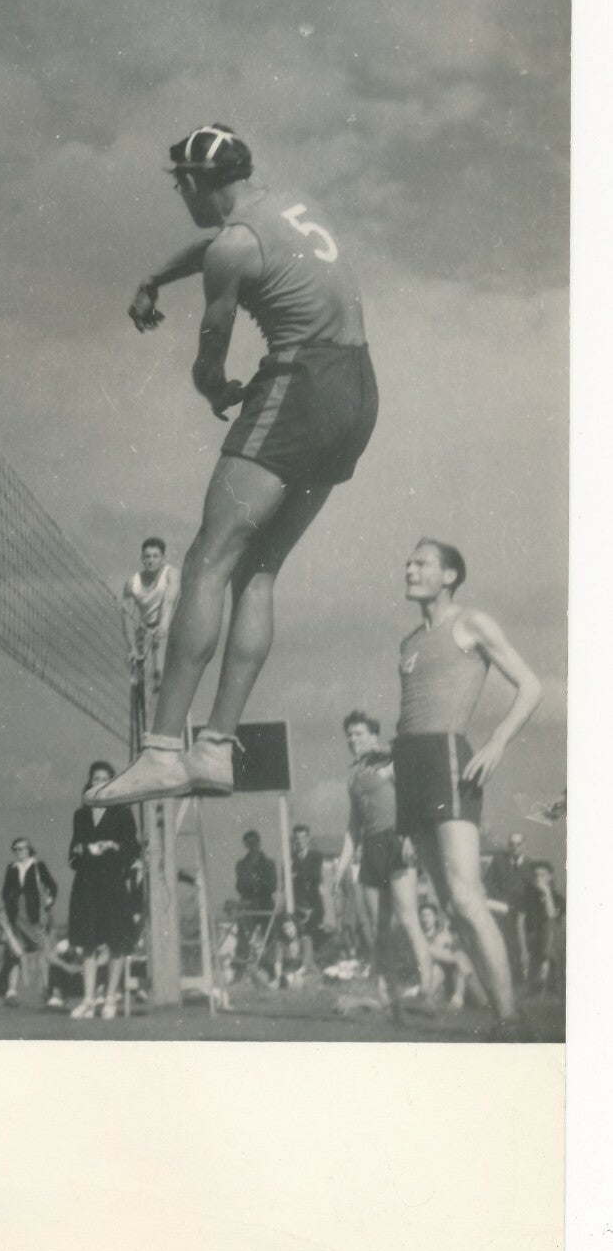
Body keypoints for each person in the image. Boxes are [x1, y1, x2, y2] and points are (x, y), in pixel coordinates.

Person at [89, 125, 377, 806]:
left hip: (301, 386)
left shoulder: (234, 247)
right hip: (358, 393)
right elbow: (226, 247)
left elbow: (211, 350)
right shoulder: (282, 206)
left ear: (192, 183)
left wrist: (211, 386)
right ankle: (216, 749)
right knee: (258, 569)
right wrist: (157, 275)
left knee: (207, 562)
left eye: (178, 185)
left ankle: (164, 751)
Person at [393, 539, 543, 1035]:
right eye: (409, 562)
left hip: (448, 757)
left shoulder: (471, 623)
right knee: (450, 908)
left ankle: (512, 1019)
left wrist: (497, 741)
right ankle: (498, 1013)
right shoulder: (409, 642)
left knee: (466, 896)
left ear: (450, 575)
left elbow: (531, 685)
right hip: (411, 763)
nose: (410, 568)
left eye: (422, 563)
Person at [332, 711, 435, 1021]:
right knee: (379, 929)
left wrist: (409, 839)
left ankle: (428, 992)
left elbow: (413, 800)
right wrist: (340, 867)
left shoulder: (389, 763)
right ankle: (388, 998)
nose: (353, 739)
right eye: (349, 735)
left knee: (408, 918)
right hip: (371, 848)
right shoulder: (353, 777)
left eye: (360, 733)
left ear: (374, 736)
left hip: (396, 840)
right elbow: (353, 827)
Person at [66, 763, 139, 1019]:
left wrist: (113, 847)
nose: (99, 782)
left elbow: (133, 850)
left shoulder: (123, 814)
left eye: (104, 779)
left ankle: (110, 998)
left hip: (112, 885)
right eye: (95, 778)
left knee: (116, 941)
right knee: (88, 943)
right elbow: (72, 856)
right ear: (89, 782)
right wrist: (81, 851)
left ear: (111, 783)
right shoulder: (81, 815)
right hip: (86, 886)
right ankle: (88, 999)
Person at [122, 537, 182, 723]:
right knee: (140, 681)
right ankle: (148, 722)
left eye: (155, 556)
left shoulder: (171, 574)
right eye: (147, 556)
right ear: (142, 558)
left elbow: (169, 601)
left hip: (170, 627)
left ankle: (166, 720)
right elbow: (127, 616)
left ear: (163, 558)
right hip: (146, 632)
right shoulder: (133, 583)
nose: (151, 560)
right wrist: (132, 647)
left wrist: (164, 623)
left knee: (160, 672)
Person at [1, 838, 59, 1003]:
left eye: (22, 849)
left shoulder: (38, 866)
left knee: (42, 949)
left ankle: (47, 989)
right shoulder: (11, 868)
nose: (19, 852)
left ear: (29, 850)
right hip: (16, 917)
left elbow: (52, 886)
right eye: (16, 849)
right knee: (15, 953)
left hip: (35, 917)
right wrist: (8, 903)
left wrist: (49, 901)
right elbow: (5, 891)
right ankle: (11, 992)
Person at [484, 831, 535, 984]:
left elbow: (532, 892)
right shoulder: (499, 861)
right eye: (512, 844)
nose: (515, 847)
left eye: (518, 844)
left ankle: (519, 978)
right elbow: (488, 882)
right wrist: (501, 901)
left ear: (524, 846)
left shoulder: (530, 866)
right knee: (500, 940)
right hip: (502, 908)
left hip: (522, 911)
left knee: (518, 941)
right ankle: (502, 978)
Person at [418, 901, 485, 1010]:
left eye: (429, 915)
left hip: (449, 977)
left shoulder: (445, 935)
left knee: (460, 959)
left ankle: (461, 998)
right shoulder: (418, 938)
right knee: (457, 959)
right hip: (429, 977)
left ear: (435, 917)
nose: (425, 919)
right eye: (423, 915)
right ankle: (460, 999)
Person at [233, 829, 278, 974]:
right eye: (248, 843)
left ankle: (271, 971)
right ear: (245, 845)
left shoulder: (269, 864)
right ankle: (241, 971)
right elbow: (240, 886)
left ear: (259, 843)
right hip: (248, 906)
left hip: (265, 904)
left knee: (269, 937)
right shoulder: (241, 865)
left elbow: (272, 885)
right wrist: (255, 885)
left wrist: (254, 885)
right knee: (244, 937)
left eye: (254, 842)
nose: (252, 845)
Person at [521, 861, 564, 995]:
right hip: (532, 936)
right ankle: (545, 966)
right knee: (551, 927)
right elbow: (520, 922)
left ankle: (544, 965)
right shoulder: (526, 897)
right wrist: (523, 949)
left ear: (550, 877)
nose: (539, 878)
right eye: (536, 875)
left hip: (549, 939)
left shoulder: (558, 898)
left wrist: (546, 892)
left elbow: (551, 915)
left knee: (550, 925)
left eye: (543, 875)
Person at [289, 823, 326, 948]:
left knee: (315, 937)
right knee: (299, 935)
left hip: (313, 903)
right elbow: (286, 879)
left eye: (302, 838)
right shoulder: (290, 858)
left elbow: (315, 876)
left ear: (308, 838)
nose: (299, 841)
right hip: (297, 903)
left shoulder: (316, 856)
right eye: (296, 838)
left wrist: (296, 874)